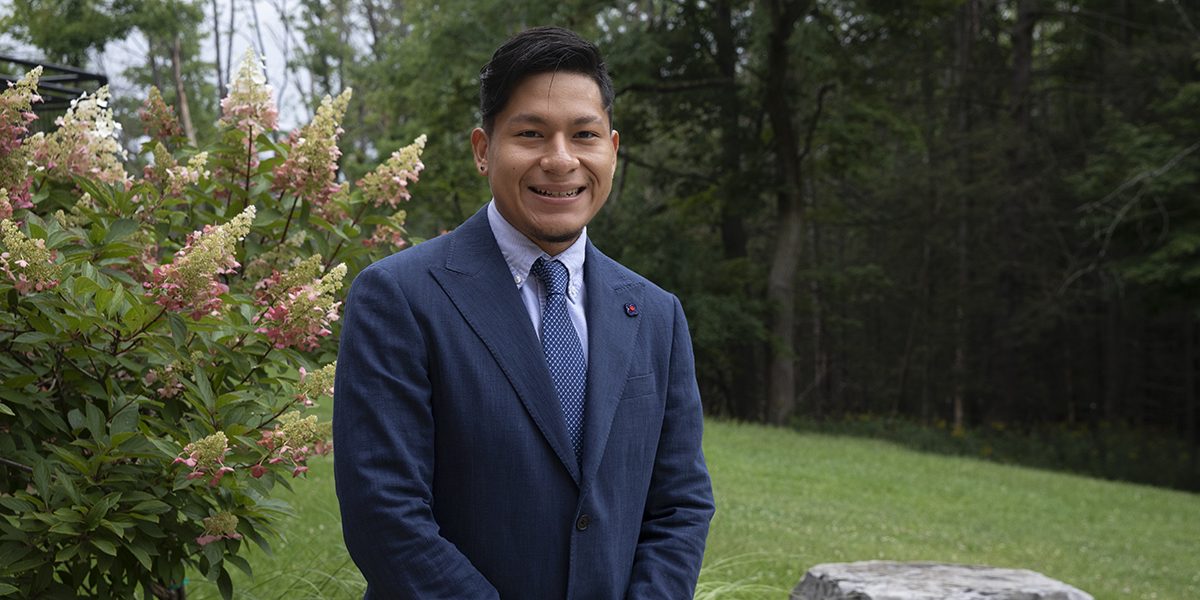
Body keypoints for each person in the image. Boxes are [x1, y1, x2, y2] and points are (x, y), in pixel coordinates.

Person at [333, 25, 714, 600]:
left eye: (584, 135)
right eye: (531, 133)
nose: (560, 160)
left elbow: (679, 506)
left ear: (611, 150)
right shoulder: (399, 297)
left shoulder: (656, 315)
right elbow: (385, 514)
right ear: (484, 151)